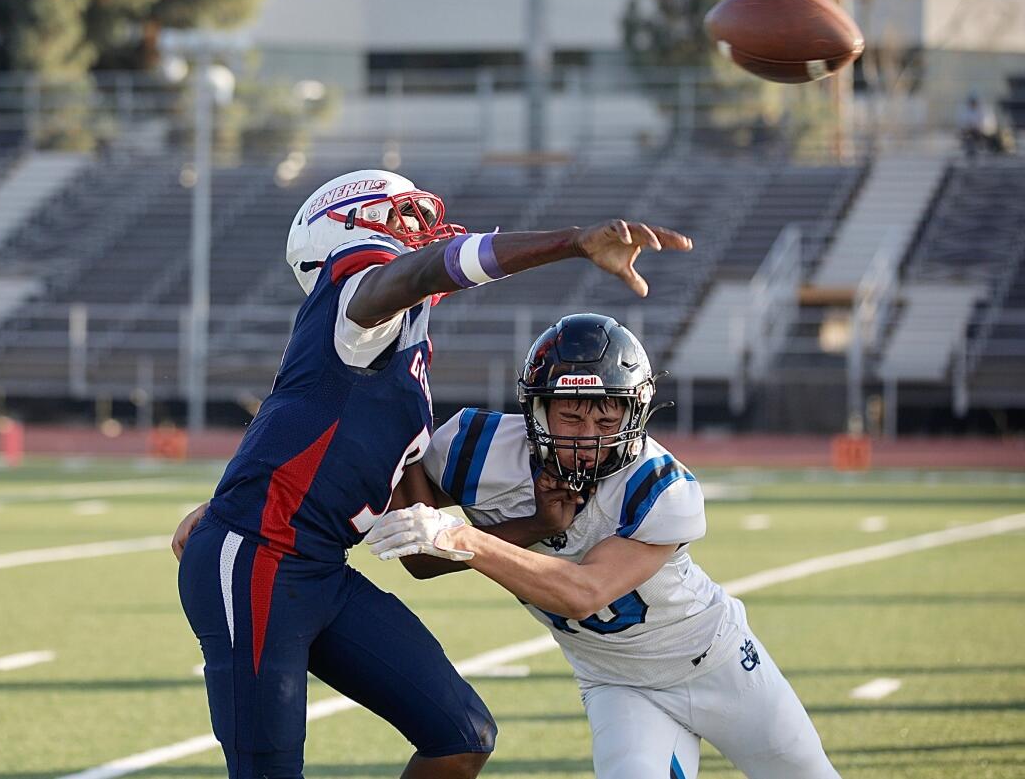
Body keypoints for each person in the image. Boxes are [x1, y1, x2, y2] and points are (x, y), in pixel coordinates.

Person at [171, 171, 693, 779]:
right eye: (405, 219)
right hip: (256, 561)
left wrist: (533, 523)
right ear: (345, 233)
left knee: (461, 735)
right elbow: (429, 267)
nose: (425, 232)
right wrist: (572, 240)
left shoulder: (394, 342)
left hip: (315, 569)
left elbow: (417, 551)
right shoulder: (354, 301)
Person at [367, 313, 839, 779]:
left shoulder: (659, 487)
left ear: (634, 414)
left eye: (606, 419)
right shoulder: (476, 450)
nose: (588, 438)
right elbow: (423, 559)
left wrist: (466, 536)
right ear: (537, 410)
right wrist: (531, 525)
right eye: (570, 416)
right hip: (616, 682)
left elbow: (583, 593)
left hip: (717, 663)